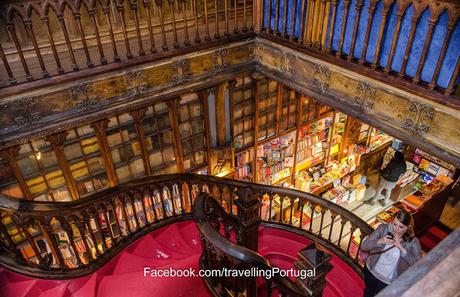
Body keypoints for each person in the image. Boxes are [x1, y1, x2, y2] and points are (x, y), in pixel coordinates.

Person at [361, 210, 422, 297]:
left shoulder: (413, 242)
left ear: (408, 227)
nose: (396, 229)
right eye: (394, 224)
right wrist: (381, 241)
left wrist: (401, 248)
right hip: (372, 271)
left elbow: (419, 264)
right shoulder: (383, 228)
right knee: (368, 292)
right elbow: (365, 246)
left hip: (388, 281)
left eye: (401, 227)